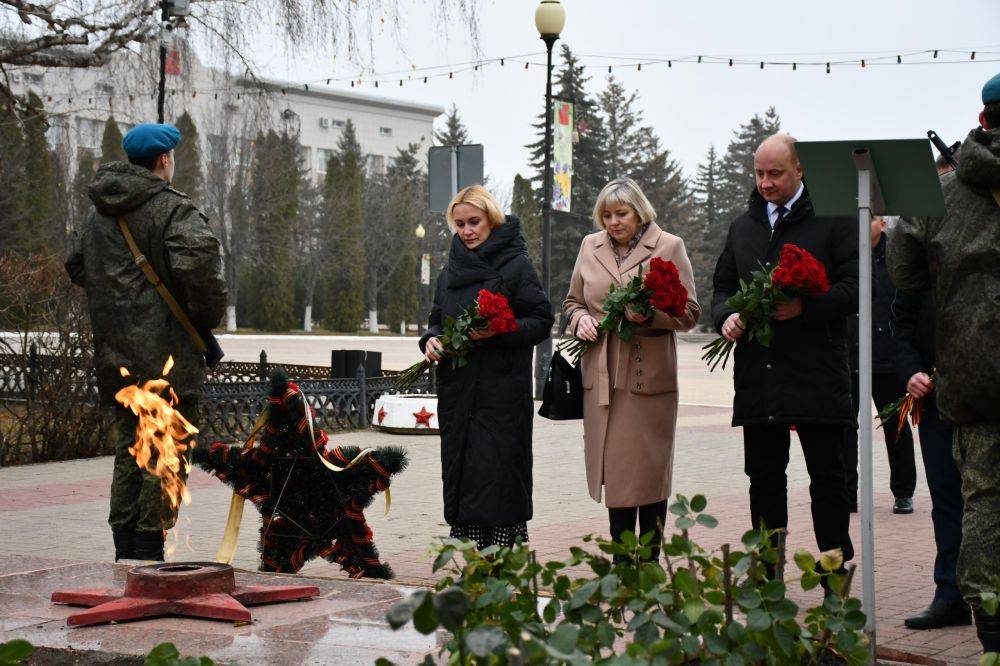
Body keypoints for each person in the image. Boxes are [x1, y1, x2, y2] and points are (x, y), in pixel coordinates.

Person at [65, 123, 228, 562]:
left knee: (129, 447)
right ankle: (148, 546)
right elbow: (204, 279)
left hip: (116, 355)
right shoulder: (172, 210)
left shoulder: (97, 214)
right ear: (163, 161)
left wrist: (118, 301)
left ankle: (124, 548)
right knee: (166, 446)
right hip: (168, 356)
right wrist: (204, 320)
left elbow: (76, 265)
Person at [887, 72, 1000, 652]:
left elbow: (904, 271)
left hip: (976, 380)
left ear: (984, 121)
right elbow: (904, 296)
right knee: (966, 499)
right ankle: (966, 604)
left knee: (981, 500)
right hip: (957, 381)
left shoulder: (943, 202)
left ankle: (992, 632)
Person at [711, 134, 857, 576]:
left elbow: (854, 287)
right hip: (761, 377)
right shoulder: (743, 226)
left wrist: (805, 308)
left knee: (829, 483)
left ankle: (834, 582)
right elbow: (722, 287)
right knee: (765, 480)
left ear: (800, 170)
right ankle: (767, 577)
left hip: (817, 375)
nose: (765, 183)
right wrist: (726, 318)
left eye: (775, 173)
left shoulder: (834, 219)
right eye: (759, 174)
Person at [563, 178, 700, 560]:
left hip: (646, 379)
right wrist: (580, 321)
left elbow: (689, 313)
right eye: (605, 215)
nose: (612, 222)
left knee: (648, 474)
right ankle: (623, 563)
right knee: (616, 474)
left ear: (639, 211)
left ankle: (650, 560)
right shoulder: (589, 246)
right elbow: (573, 301)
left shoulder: (669, 246)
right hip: (601, 374)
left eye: (620, 213)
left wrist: (649, 315)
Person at [419, 185, 552, 549]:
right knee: (465, 475)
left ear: (491, 219)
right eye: (459, 224)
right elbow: (434, 320)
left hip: (501, 396)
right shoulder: (449, 271)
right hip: (459, 394)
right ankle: (474, 559)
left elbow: (541, 320)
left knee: (497, 476)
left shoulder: (516, 265)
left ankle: (502, 558)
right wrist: (429, 340)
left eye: (474, 221)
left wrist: (501, 330)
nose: (467, 231)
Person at [892, 288, 969, 629]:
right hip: (936, 398)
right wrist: (911, 371)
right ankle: (951, 594)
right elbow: (900, 323)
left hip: (989, 396)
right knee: (946, 494)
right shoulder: (923, 257)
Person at [843, 216, 917, 514]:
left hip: (887, 358)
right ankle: (847, 493)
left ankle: (903, 492)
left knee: (896, 427)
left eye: (870, 217)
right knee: (845, 429)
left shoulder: (896, 256)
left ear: (883, 224)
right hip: (849, 356)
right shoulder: (846, 255)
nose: (862, 221)